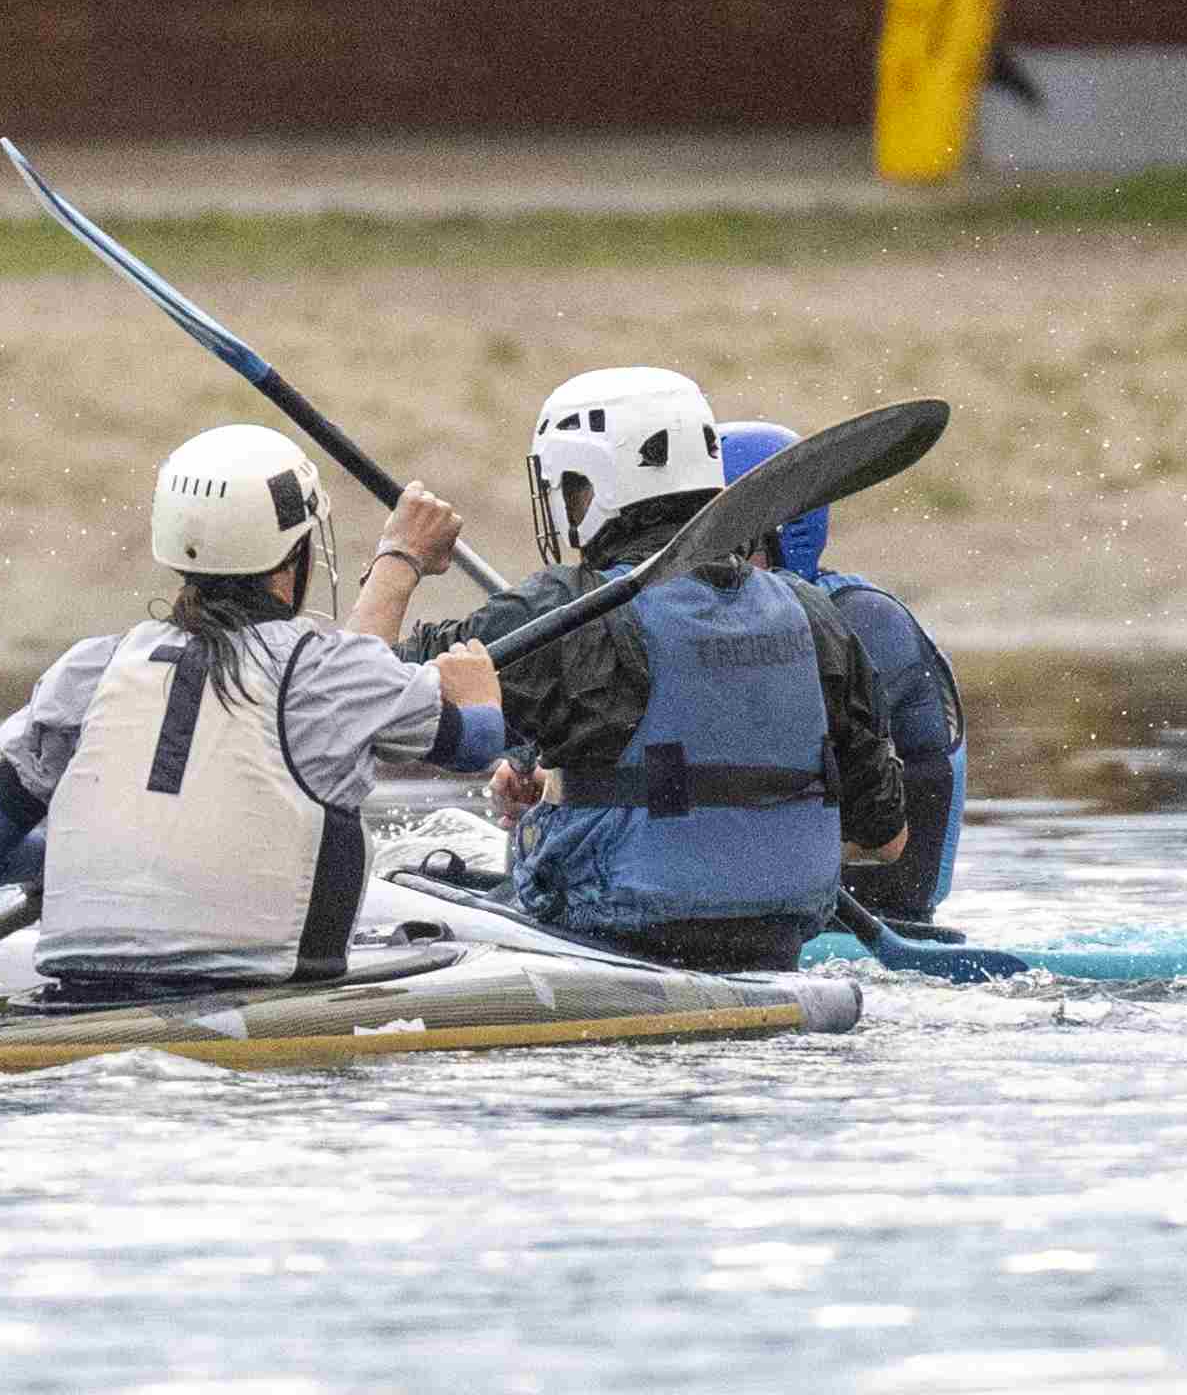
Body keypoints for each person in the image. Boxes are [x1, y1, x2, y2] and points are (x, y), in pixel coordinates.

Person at [371, 367, 907, 973]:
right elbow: (885, 837)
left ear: (593, 483)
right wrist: (560, 779)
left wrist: (398, 561)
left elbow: (361, 700)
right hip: (775, 947)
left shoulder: (564, 610)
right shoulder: (815, 615)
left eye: (568, 487)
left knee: (404, 870)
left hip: (606, 944)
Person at [0, 426, 502, 994]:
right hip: (265, 999)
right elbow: (476, 746)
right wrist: (478, 693)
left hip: (81, 992)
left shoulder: (91, 667)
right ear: (296, 554)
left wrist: (98, 865)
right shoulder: (329, 667)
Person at [716, 422, 967, 928]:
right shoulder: (733, 626)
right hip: (781, 907)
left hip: (880, 916)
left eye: (719, 541)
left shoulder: (865, 623)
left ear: (783, 538)